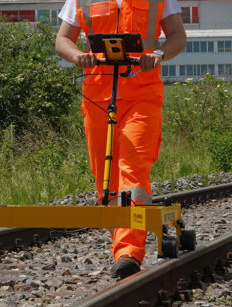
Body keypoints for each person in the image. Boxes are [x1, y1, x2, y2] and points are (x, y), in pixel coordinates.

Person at [54, 0, 186, 279]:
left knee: (133, 167)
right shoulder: (81, 1)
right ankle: (121, 243)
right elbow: (63, 39)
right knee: (106, 178)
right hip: (97, 96)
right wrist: (78, 56)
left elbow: (178, 35)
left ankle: (128, 253)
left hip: (143, 94)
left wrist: (159, 54)